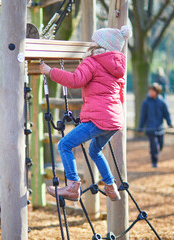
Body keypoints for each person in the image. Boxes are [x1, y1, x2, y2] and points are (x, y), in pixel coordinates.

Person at [39, 25, 132, 201]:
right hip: (115, 120)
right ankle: (111, 186)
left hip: (98, 119)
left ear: (98, 45)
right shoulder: (119, 67)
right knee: (95, 151)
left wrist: (50, 71)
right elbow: (120, 95)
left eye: (93, 41)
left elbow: (75, 80)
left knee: (64, 145)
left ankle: (73, 186)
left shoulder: (92, 62)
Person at [138, 83, 173, 168]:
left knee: (160, 146)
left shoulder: (162, 102)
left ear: (157, 92)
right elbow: (143, 116)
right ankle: (154, 162)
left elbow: (166, 114)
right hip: (151, 129)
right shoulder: (146, 102)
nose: (150, 92)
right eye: (149, 90)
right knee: (154, 146)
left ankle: (155, 154)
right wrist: (140, 128)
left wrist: (169, 123)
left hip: (160, 128)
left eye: (152, 91)